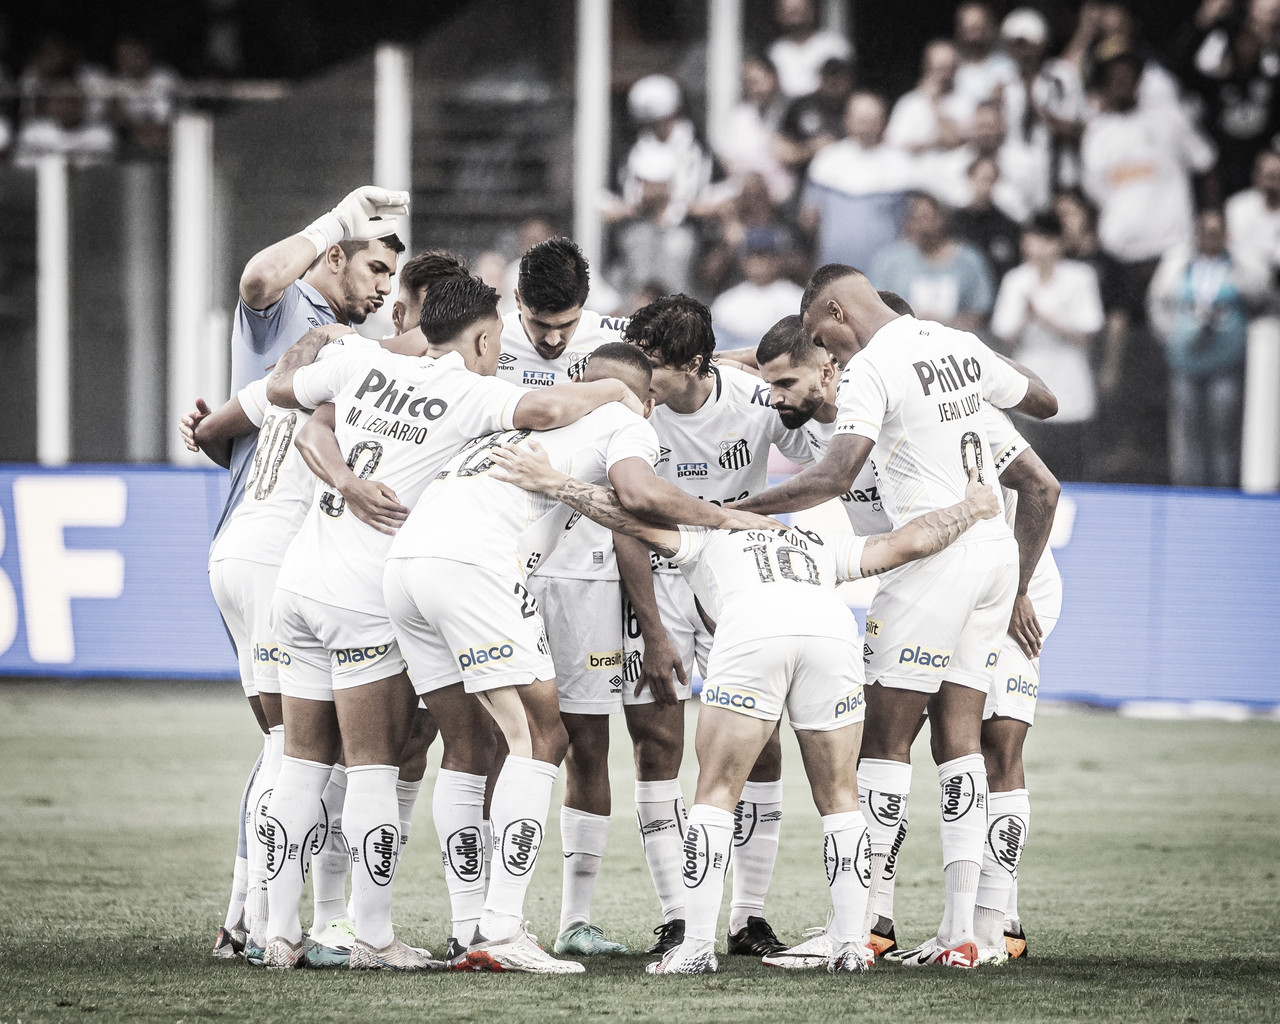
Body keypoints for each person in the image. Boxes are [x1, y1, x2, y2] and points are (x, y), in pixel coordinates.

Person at [484, 437, 1002, 976]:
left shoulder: (708, 537)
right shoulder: (814, 542)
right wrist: (974, 506)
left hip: (754, 632)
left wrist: (555, 483)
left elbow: (625, 516)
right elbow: (909, 543)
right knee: (841, 799)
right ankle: (851, 945)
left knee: (715, 795)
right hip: (829, 633)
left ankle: (695, 948)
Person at [257, 276, 645, 970]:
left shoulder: (364, 364)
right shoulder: (470, 391)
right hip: (369, 590)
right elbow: (553, 405)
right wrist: (616, 391)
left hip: (300, 577)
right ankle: (376, 938)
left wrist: (319, 346)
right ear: (485, 337)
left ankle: (279, 932)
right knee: (377, 769)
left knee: (300, 763)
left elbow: (282, 394)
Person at [382, 341, 769, 974]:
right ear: (643, 399)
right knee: (542, 736)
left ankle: (466, 928)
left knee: (466, 746)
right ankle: (502, 928)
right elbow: (639, 496)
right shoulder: (626, 421)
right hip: (473, 564)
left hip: (407, 565)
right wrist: (726, 522)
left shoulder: (534, 415)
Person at [731, 265, 1057, 968]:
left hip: (935, 559)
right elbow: (1047, 399)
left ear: (835, 311)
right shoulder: (958, 345)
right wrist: (984, 365)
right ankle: (964, 934)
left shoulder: (875, 368)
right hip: (995, 553)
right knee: (961, 741)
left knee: (881, 739)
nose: (831, 356)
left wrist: (733, 512)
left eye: (826, 338)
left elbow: (832, 478)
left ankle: (858, 929)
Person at [182, 250, 469, 967]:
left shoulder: (319, 364)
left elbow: (228, 423)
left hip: (274, 572)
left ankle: (265, 928)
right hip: (343, 577)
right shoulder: (419, 373)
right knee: (372, 763)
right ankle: (358, 929)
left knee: (294, 755)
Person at [195, 184, 407, 964]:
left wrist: (212, 431)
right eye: (374, 270)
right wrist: (339, 216)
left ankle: (254, 918)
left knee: (291, 746)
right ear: (333, 258)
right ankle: (259, 924)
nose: (382, 291)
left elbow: (233, 427)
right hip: (270, 551)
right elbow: (255, 281)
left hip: (253, 545)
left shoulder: (336, 352)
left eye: (392, 281)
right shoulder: (290, 320)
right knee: (298, 745)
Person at [617, 295, 812, 960]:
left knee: (760, 745)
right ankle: (678, 915)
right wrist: (654, 630)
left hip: (738, 584)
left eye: (655, 368)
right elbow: (625, 524)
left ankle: (747, 917)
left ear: (696, 364)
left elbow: (822, 449)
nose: (641, 381)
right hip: (661, 581)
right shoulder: (628, 413)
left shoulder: (756, 402)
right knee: (656, 742)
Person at [493, 237, 633, 957]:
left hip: (587, 569)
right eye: (540, 324)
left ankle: (576, 916)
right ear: (516, 302)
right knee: (486, 740)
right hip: (495, 564)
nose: (552, 339)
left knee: (587, 743)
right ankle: (484, 916)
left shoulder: (614, 344)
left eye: (565, 325)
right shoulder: (483, 338)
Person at [1081, 52, 1216, 480]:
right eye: (1113, 79)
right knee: (1122, 369)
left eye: (1129, 77)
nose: (1122, 85)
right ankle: (1124, 456)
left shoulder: (1168, 119)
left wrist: (1209, 223)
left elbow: (1206, 165)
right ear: (1102, 86)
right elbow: (1098, 193)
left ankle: (1186, 467)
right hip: (1121, 259)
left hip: (1173, 255)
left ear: (1139, 81)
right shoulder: (1097, 132)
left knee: (1173, 360)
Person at [1148, 208, 1266, 486]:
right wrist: (1171, 335)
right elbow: (1158, 301)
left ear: (1226, 234)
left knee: (1222, 431)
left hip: (1225, 362)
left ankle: (1224, 488)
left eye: (1217, 233)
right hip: (1186, 361)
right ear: (1196, 234)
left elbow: (1261, 293)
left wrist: (1239, 261)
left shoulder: (1239, 263)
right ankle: (1189, 490)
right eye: (1206, 232)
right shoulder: (1179, 263)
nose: (1211, 238)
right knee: (1188, 433)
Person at [991, 212, 1105, 480]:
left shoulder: (1081, 277)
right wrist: (1025, 316)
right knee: (1031, 460)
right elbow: (1004, 335)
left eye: (1039, 239)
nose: (1030, 245)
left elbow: (1087, 332)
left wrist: (1044, 318)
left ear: (1056, 243)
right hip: (1029, 372)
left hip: (1070, 371)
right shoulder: (1016, 280)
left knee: (1074, 458)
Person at [800, 92, 918, 272]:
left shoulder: (901, 165)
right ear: (847, 119)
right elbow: (809, 220)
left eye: (871, 118)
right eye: (860, 118)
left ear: (884, 121)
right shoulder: (826, 160)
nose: (865, 124)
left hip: (885, 275)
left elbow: (912, 224)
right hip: (833, 273)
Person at [997, 7, 1088, 212]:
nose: (1022, 52)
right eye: (1015, 45)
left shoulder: (1061, 76)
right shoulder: (1003, 82)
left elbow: (1076, 128)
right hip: (1017, 178)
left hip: (1060, 175)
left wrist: (1042, 113)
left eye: (1026, 44)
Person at [872, 192, 995, 335]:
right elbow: (876, 306)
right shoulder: (890, 260)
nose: (921, 226)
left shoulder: (969, 260)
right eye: (915, 219)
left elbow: (979, 311)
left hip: (955, 342)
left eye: (926, 218)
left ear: (942, 219)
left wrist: (939, 324)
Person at [715, 55, 795, 205]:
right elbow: (728, 160)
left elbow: (789, 157)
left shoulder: (792, 112)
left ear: (773, 78)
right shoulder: (740, 115)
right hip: (745, 198)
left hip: (783, 201)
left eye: (756, 82)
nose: (753, 89)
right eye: (748, 83)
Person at [709, 233, 805, 351]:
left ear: (781, 259)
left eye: (767, 255)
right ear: (744, 261)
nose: (760, 261)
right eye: (754, 255)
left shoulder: (797, 298)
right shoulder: (726, 301)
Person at [886, 40, 971, 155]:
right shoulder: (909, 102)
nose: (944, 75)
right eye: (940, 68)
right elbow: (894, 143)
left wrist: (934, 102)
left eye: (949, 68)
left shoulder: (966, 101)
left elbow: (953, 141)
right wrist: (929, 143)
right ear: (927, 68)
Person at [951, 155, 1026, 286]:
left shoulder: (1008, 226)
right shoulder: (952, 222)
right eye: (983, 179)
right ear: (970, 178)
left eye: (991, 180)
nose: (986, 186)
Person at [775, 57, 854, 177]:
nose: (833, 85)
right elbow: (783, 151)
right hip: (804, 176)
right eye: (829, 78)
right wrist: (811, 149)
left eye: (838, 80)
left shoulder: (855, 107)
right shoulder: (801, 106)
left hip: (848, 176)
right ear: (820, 78)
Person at [767, 0, 853, 100]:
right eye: (790, 11)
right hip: (788, 111)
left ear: (811, 10)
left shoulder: (835, 45)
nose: (795, 15)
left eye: (799, 10)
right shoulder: (775, 51)